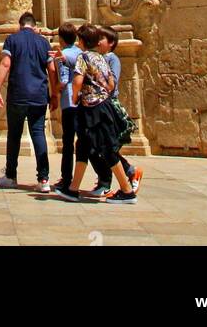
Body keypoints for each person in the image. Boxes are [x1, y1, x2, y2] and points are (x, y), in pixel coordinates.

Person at [60, 24, 135, 204]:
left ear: (83, 41)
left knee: (107, 149)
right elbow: (110, 83)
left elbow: (77, 81)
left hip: (91, 108)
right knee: (83, 146)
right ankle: (73, 189)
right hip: (103, 105)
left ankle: (127, 191)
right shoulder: (101, 58)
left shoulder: (83, 58)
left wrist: (76, 96)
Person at [0, 11, 58, 192]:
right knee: (38, 133)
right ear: (34, 26)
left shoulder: (12, 40)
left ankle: (11, 176)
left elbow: (5, 64)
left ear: (19, 26)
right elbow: (52, 69)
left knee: (14, 135)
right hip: (39, 95)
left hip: (18, 95)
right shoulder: (44, 43)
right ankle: (44, 179)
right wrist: (55, 94)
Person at [94, 26, 141, 196]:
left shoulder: (112, 58)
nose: (98, 41)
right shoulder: (98, 57)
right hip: (100, 104)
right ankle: (108, 180)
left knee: (105, 145)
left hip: (108, 106)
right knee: (100, 145)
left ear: (111, 43)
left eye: (102, 38)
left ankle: (128, 173)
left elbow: (112, 83)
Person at [51, 23, 81, 195]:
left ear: (61, 38)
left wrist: (54, 93)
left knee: (68, 142)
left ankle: (67, 179)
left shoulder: (62, 55)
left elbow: (63, 80)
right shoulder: (80, 53)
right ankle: (104, 177)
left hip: (69, 101)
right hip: (82, 102)